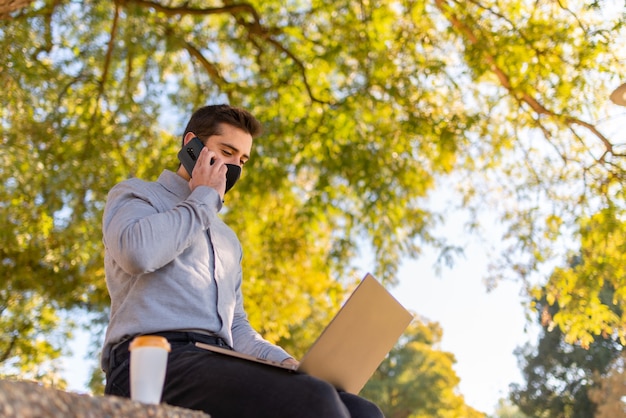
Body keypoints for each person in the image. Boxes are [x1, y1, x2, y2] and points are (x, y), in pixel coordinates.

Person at [101, 104, 384, 418]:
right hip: (149, 360)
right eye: (226, 151)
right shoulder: (137, 194)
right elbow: (137, 254)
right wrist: (204, 198)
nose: (233, 166)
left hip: (218, 361)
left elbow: (237, 328)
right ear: (191, 145)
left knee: (362, 411)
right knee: (312, 400)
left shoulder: (227, 240)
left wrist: (287, 364)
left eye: (242, 159)